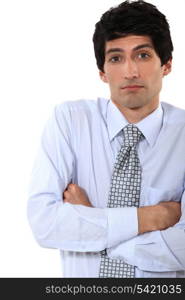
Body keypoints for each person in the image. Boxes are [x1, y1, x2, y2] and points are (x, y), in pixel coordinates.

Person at [27, 0, 185, 278]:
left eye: (143, 55)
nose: (130, 72)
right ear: (102, 72)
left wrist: (91, 220)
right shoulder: (70, 121)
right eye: (115, 58)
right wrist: (150, 218)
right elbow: (45, 224)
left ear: (167, 65)